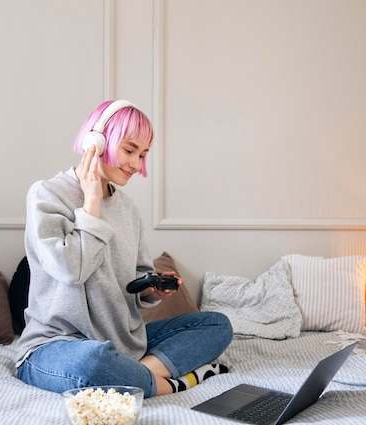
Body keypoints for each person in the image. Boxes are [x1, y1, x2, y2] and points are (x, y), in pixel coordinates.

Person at [15, 100, 233, 398]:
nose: (136, 164)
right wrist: (91, 203)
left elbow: (135, 280)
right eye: (130, 150)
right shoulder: (46, 193)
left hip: (124, 344)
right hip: (56, 345)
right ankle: (168, 382)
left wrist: (151, 291)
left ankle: (134, 373)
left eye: (142, 155)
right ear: (97, 141)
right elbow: (70, 271)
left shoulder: (128, 209)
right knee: (91, 363)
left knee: (215, 324)